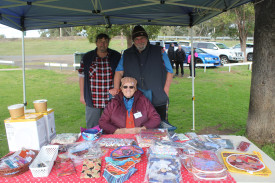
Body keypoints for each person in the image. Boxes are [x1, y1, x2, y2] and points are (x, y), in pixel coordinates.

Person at [109, 25, 173, 121]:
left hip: (158, 97)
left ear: (147, 39)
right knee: (138, 126)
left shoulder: (159, 51)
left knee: (160, 126)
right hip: (134, 99)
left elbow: (170, 71)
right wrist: (116, 88)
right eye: (137, 39)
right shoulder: (126, 54)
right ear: (134, 41)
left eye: (142, 38)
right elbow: (119, 72)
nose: (140, 41)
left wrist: (166, 90)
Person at [78, 33, 121, 128]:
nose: (103, 44)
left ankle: (111, 143)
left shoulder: (116, 56)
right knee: (92, 127)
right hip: (93, 99)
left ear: (108, 43)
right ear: (96, 43)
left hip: (111, 100)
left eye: (105, 41)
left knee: (112, 127)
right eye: (100, 41)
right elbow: (81, 76)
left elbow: (121, 75)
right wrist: (82, 96)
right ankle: (93, 142)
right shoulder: (87, 57)